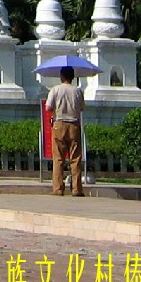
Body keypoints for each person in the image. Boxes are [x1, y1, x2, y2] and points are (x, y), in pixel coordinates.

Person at [45, 65, 86, 197]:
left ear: (61, 76)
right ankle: (76, 188)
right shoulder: (78, 91)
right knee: (75, 158)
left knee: (58, 158)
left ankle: (58, 188)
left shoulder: (55, 89)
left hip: (59, 124)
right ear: (73, 77)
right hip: (74, 124)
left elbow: (48, 107)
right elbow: (81, 108)